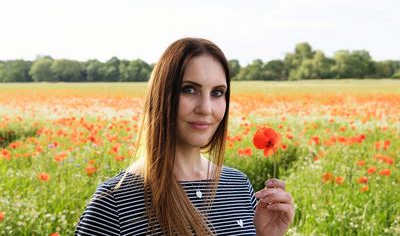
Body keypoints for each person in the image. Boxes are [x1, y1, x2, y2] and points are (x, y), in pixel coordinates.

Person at [75, 38, 295, 236]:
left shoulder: (238, 185)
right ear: (161, 96)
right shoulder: (113, 203)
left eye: (217, 92)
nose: (206, 108)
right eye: (189, 89)